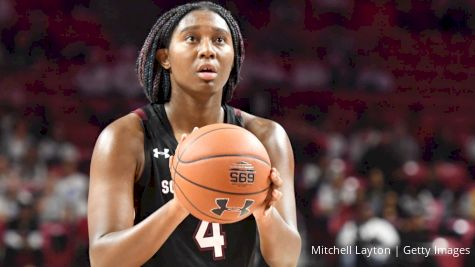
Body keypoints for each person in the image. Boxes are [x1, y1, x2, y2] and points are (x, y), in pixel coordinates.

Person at [87, 2, 301, 266]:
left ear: (234, 57)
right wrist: (182, 203)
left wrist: (263, 211)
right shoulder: (125, 137)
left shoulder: (266, 137)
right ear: (164, 57)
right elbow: (104, 260)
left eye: (220, 40)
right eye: (192, 38)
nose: (208, 51)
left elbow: (287, 259)